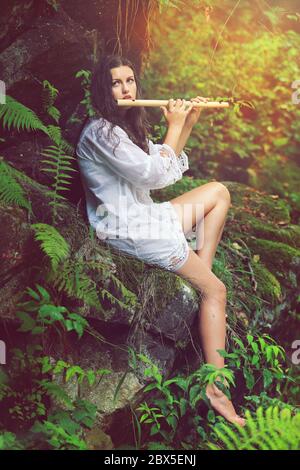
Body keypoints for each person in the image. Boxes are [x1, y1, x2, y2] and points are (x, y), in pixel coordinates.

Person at [76, 54, 245, 427]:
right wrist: (175, 125)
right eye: (116, 83)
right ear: (103, 90)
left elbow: (161, 167)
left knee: (218, 192)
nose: (126, 89)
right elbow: (154, 175)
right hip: (129, 229)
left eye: (130, 80)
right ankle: (216, 389)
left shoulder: (124, 129)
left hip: (148, 216)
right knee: (217, 292)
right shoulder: (100, 132)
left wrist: (187, 123)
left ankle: (199, 270)